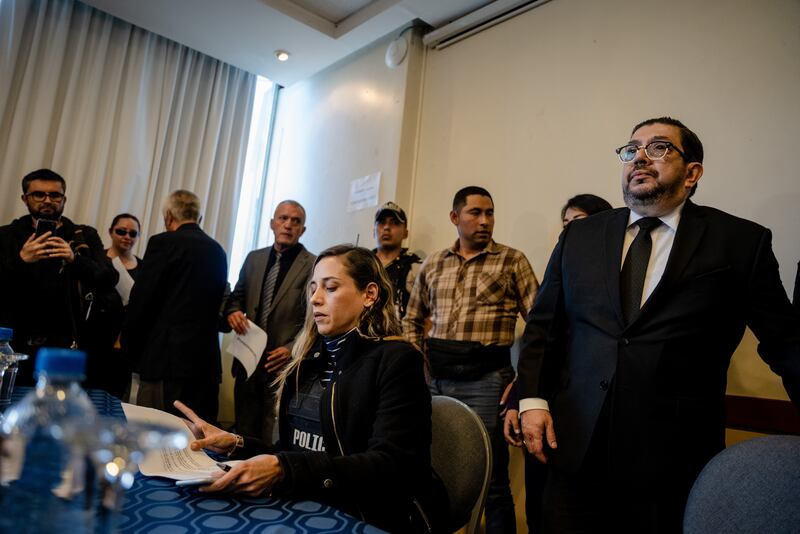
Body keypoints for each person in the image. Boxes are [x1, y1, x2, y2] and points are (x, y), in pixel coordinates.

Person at [517, 117, 800, 533]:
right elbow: (544, 327)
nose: (640, 158)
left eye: (660, 147)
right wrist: (532, 402)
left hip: (672, 460)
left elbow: (786, 342)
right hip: (575, 448)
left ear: (693, 173)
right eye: (632, 149)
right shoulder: (580, 237)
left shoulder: (740, 242)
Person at [175, 245, 447, 533]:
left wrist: (283, 469)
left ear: (369, 295)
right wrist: (235, 443)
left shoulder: (397, 360)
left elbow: (392, 466)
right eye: (313, 288)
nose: (315, 299)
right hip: (305, 506)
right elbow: (293, 451)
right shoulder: (306, 363)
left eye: (330, 288)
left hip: (364, 516)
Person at [404, 186, 539, 533]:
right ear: (455, 217)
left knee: (492, 479)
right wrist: (416, 367)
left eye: (489, 213)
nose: (484, 220)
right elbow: (411, 320)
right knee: (431, 469)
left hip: (488, 381)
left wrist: (523, 380)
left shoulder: (512, 260)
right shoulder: (433, 263)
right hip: (436, 381)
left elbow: (541, 326)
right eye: (475, 213)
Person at [503, 192, 612, 532]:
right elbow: (539, 341)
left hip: (586, 412)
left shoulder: (614, 279)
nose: (569, 233)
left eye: (577, 223)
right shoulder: (562, 271)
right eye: (565, 225)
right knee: (541, 503)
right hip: (542, 406)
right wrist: (518, 399)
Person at [0, 168, 117, 385]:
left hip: (68, 345)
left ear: (64, 199)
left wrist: (75, 259)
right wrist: (21, 260)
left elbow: (109, 279)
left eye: (55, 195)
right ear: (25, 198)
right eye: (39, 194)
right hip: (14, 345)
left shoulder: (83, 235)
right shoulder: (6, 235)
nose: (47, 200)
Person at [122, 190, 227, 423]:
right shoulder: (217, 251)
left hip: (165, 363)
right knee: (198, 442)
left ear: (168, 216)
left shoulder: (163, 243)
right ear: (199, 218)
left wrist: (128, 349)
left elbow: (143, 301)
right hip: (205, 366)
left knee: (157, 441)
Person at [224, 200, 315, 443]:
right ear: (272, 223)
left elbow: (313, 320)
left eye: (296, 221)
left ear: (303, 229)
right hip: (247, 360)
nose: (288, 225)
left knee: (272, 433)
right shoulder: (253, 258)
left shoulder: (313, 265)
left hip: (282, 364)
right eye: (283, 218)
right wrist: (232, 312)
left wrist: (292, 349)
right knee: (243, 430)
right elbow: (237, 298)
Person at [83, 213, 143, 397]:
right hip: (95, 338)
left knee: (115, 395)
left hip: (124, 343)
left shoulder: (144, 267)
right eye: (121, 231)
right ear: (110, 232)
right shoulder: (98, 262)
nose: (127, 237)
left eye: (133, 234)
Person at [373, 201, 422, 319]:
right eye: (381, 222)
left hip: (400, 335)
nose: (386, 227)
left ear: (406, 233)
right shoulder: (360, 264)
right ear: (373, 231)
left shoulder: (415, 267)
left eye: (394, 223)